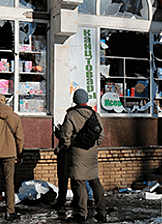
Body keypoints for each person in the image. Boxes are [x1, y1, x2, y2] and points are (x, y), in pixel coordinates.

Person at [58, 89, 107, 223]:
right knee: (95, 181)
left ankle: (81, 213)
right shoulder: (95, 114)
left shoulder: (72, 115)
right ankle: (102, 212)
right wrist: (94, 145)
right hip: (92, 153)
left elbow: (65, 135)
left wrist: (69, 146)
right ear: (86, 100)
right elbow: (101, 134)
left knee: (78, 183)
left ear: (75, 100)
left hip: (76, 153)